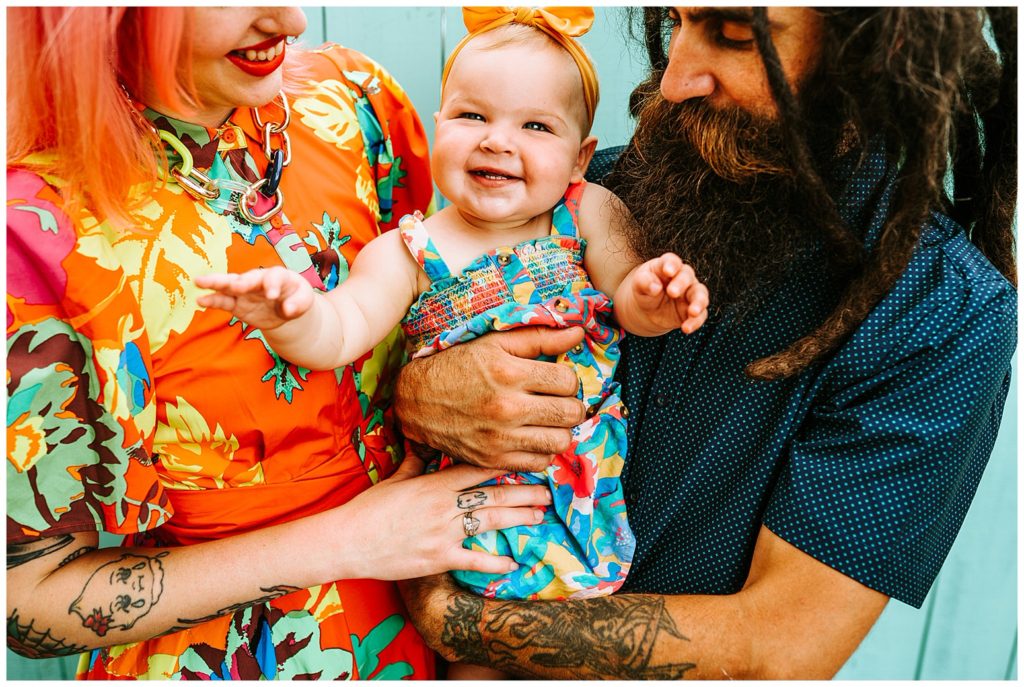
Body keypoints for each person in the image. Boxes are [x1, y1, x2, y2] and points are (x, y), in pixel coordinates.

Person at [394, 6, 1018, 679]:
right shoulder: (578, 202)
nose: (674, 79)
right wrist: (417, 388)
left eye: (733, 34)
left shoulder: (938, 311)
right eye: (677, 20)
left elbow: (780, 646)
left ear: (871, 52)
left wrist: (456, 620)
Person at [6, 7, 553, 680]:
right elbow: (24, 603)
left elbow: (453, 301)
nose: (289, 17)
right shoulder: (38, 229)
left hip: (442, 615)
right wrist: (346, 542)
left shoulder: (356, 102)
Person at [195, 1, 708, 639]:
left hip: (577, 488)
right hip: (463, 507)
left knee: (573, 649)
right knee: (475, 648)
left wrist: (657, 295)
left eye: (536, 127)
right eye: (472, 116)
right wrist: (290, 316)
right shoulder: (408, 251)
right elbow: (341, 332)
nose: (498, 139)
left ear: (580, 159)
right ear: (439, 127)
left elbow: (629, 301)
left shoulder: (588, 213)